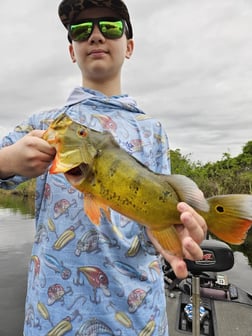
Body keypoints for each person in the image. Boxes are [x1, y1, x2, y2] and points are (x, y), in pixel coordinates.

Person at [0, 1, 207, 335]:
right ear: (72, 51)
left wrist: (174, 233)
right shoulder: (46, 123)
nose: (95, 35)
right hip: (53, 314)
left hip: (136, 313)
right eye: (81, 30)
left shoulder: (151, 130)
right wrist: (7, 161)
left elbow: (159, 214)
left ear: (129, 46)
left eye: (109, 26)